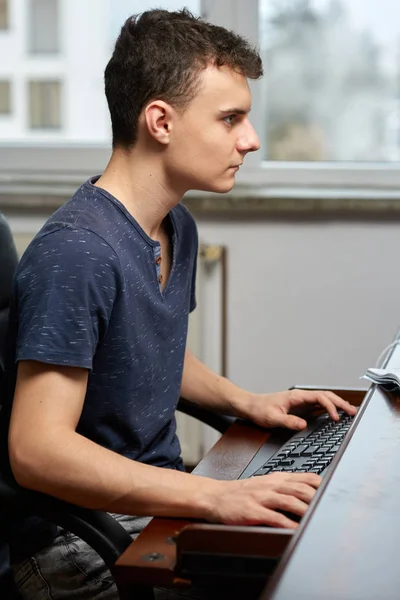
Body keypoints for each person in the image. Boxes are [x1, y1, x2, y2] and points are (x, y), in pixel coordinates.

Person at [2, 8, 357, 600]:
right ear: (160, 122)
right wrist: (216, 494)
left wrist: (249, 402)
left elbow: (145, 350)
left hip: (151, 501)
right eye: (230, 118)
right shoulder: (79, 253)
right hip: (76, 545)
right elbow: (36, 450)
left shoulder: (174, 225)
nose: (251, 139)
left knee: (321, 545)